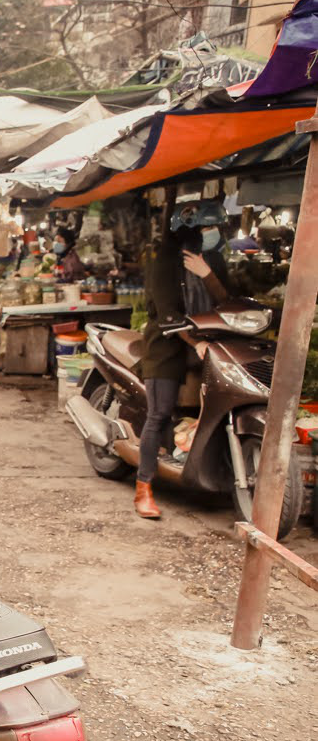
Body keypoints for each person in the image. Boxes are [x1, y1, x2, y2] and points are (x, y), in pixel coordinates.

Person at [134, 212, 232, 519]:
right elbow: (168, 316)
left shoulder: (212, 260)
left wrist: (206, 274)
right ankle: (143, 489)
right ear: (187, 233)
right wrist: (196, 342)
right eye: (206, 228)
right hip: (167, 347)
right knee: (159, 414)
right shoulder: (164, 264)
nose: (211, 234)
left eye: (214, 228)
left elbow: (228, 301)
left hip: (211, 343)